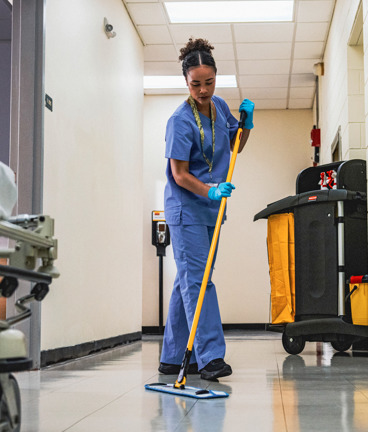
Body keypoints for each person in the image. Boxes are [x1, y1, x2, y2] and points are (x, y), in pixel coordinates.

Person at [159, 37, 254, 381]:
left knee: (190, 281)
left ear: (216, 77)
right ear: (186, 82)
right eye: (196, 84)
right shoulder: (179, 121)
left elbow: (234, 145)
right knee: (199, 284)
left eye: (209, 82)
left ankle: (171, 357)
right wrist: (211, 190)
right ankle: (211, 357)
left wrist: (246, 126)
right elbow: (179, 174)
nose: (203, 90)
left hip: (211, 210)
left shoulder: (220, 107)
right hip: (186, 210)